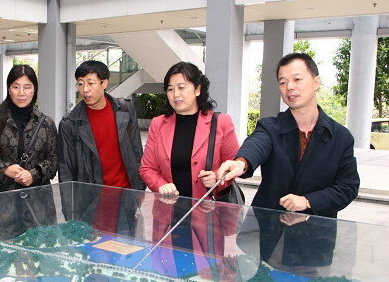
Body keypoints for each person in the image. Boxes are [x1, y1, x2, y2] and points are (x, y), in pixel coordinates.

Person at [217, 53, 359, 218]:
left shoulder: (340, 137)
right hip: (266, 227)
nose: (289, 87)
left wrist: (309, 201)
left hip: (316, 229)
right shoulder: (270, 127)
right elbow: (257, 144)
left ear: (316, 82)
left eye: (297, 79)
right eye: (283, 82)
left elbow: (348, 187)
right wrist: (241, 162)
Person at [140, 61, 240, 199]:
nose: (176, 94)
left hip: (207, 208)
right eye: (170, 89)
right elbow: (147, 168)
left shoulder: (221, 122)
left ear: (198, 89)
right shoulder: (158, 124)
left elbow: (234, 164)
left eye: (181, 87)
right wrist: (160, 185)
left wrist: (217, 178)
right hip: (167, 207)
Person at [58, 60, 144, 190]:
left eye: (90, 83)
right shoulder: (69, 123)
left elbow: (137, 152)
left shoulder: (125, 110)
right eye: (80, 84)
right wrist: (70, 202)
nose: (85, 89)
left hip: (126, 193)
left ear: (104, 83)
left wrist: (139, 189)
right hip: (91, 197)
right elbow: (66, 170)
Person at [0, 64, 57, 194]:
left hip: (38, 200)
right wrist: (5, 169)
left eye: (27, 87)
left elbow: (54, 159)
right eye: (16, 87)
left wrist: (34, 174)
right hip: (2, 199)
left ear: (34, 89)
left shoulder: (46, 123)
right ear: (9, 89)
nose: (21, 93)